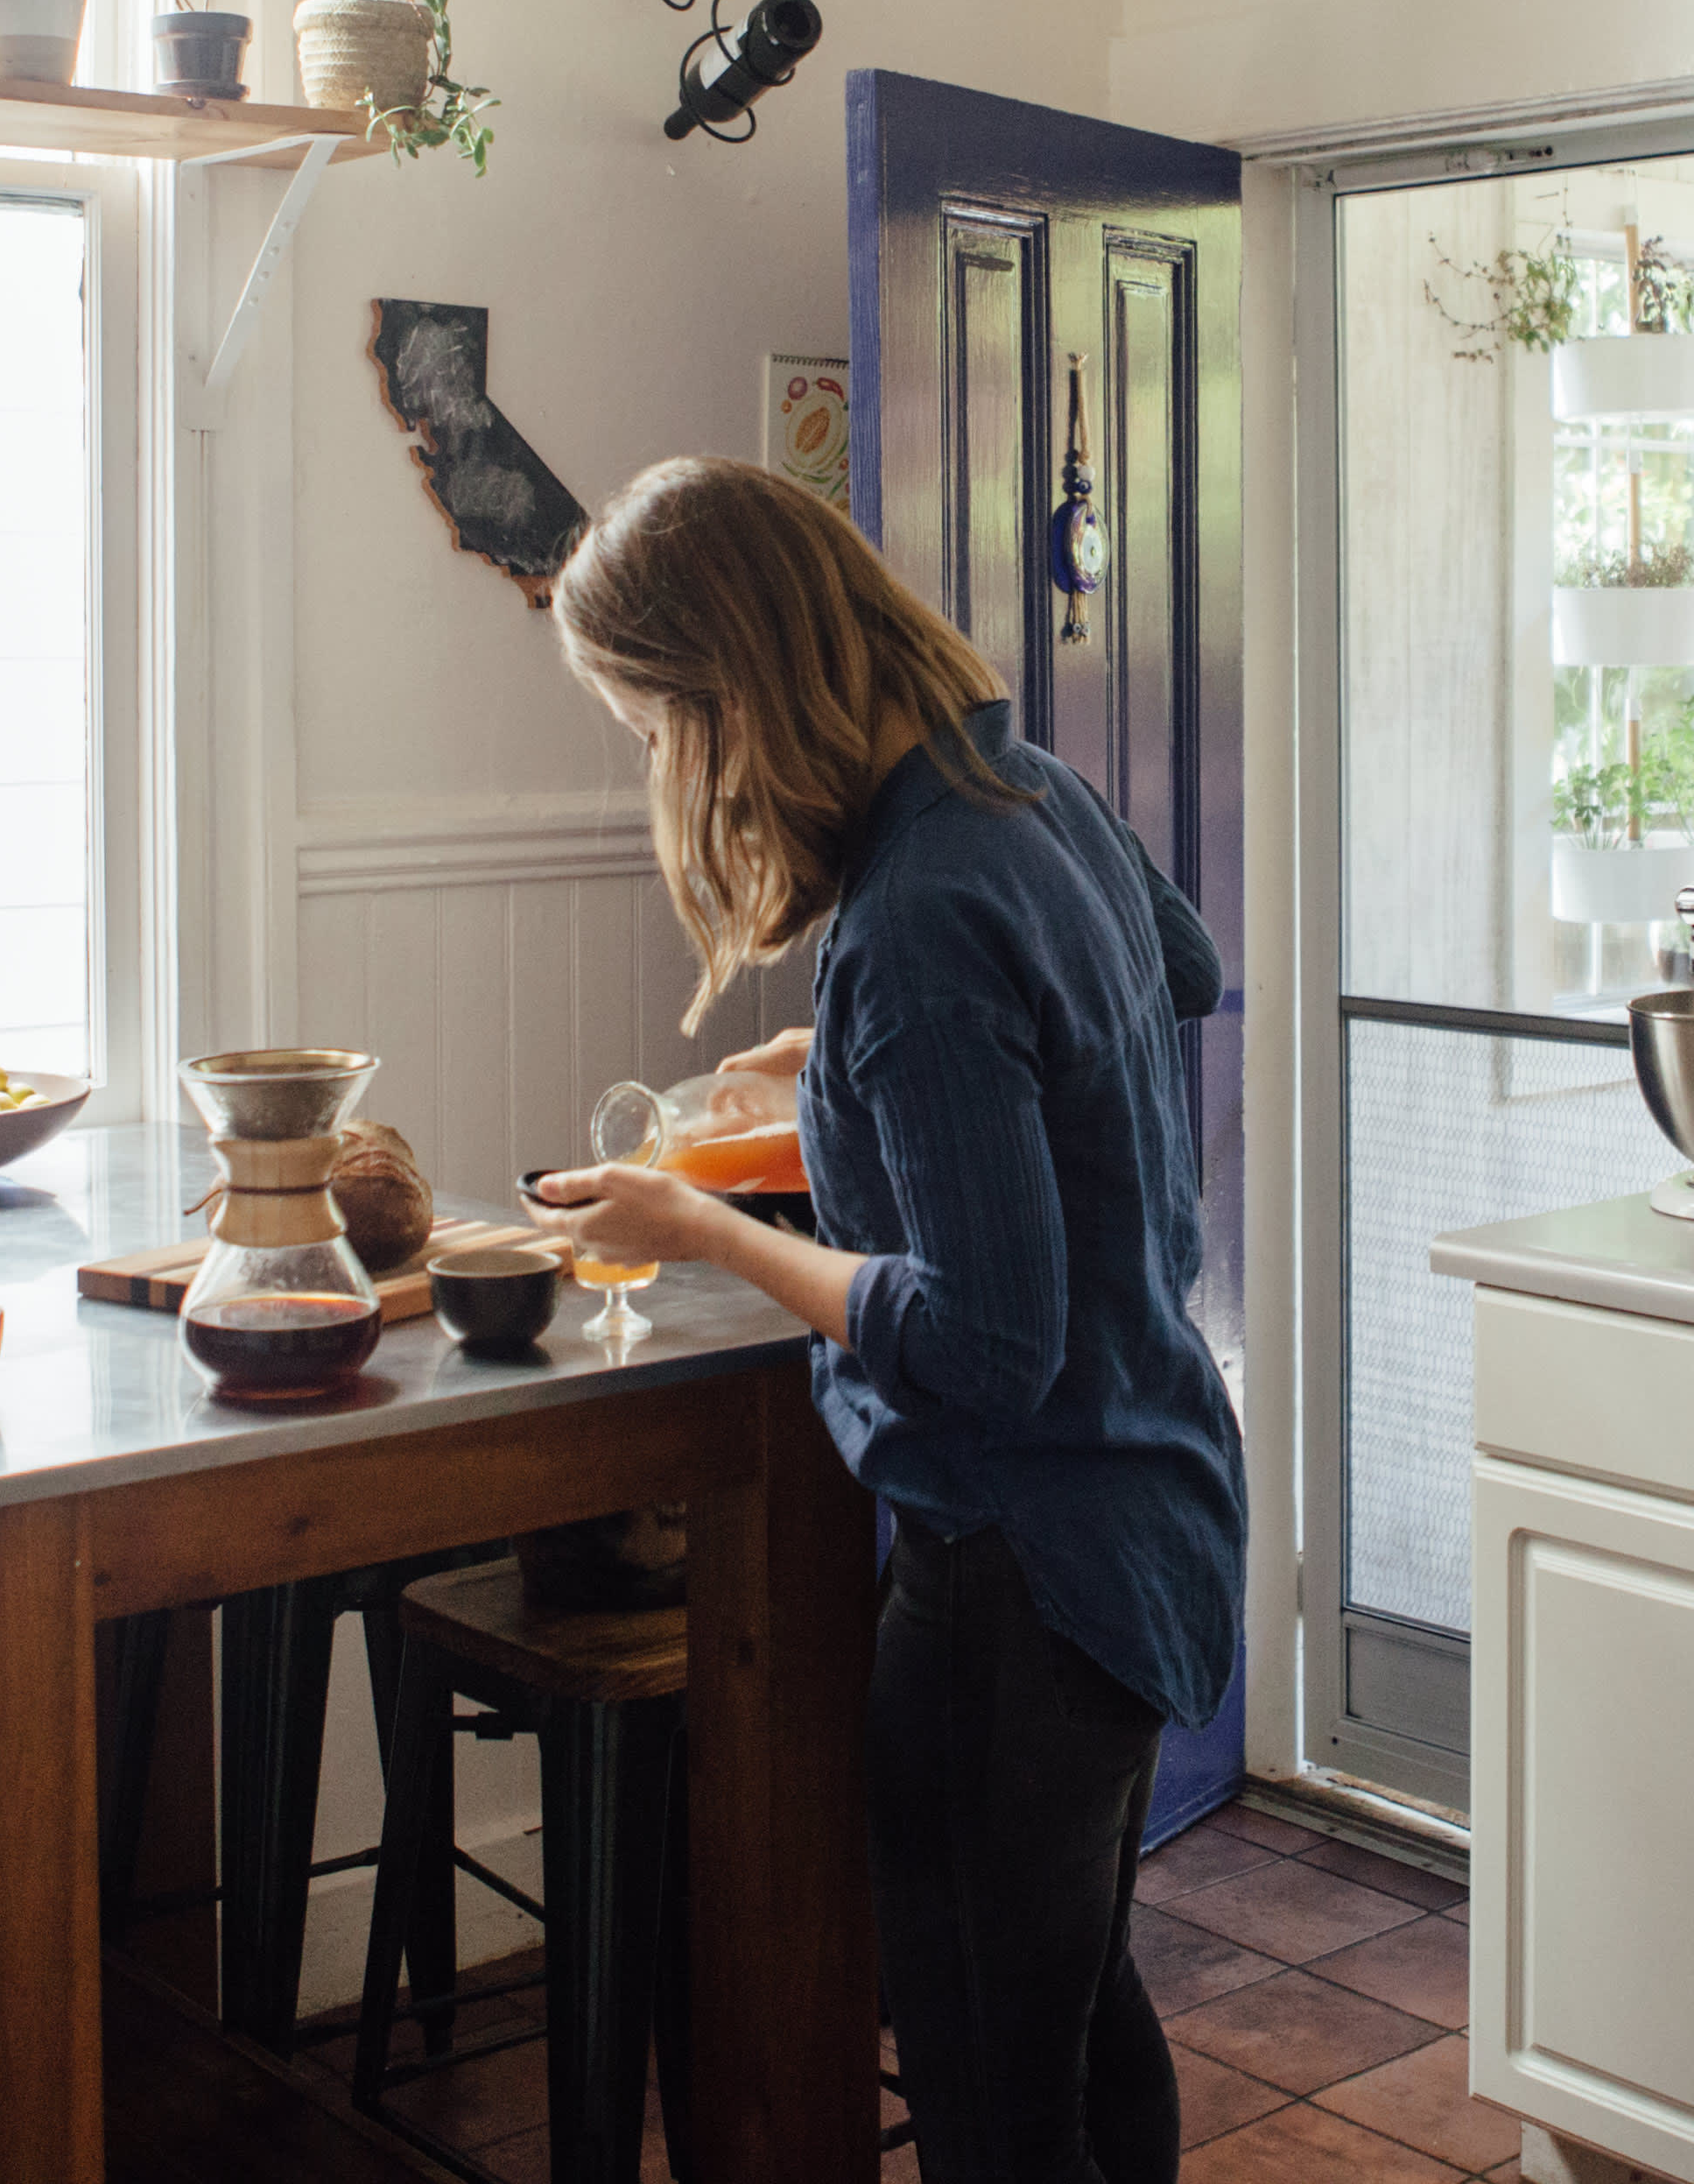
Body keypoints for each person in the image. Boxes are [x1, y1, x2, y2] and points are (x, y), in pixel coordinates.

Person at [531, 456, 1240, 2184]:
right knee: (1073, 2021)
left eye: (647, 726)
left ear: (719, 700)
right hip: (1156, 1511)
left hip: (1019, 1571)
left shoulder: (909, 924)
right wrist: (845, 1064)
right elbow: (1180, 969)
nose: (657, 769)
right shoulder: (1022, 787)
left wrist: (698, 1223)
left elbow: (984, 1345)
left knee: (998, 2102)